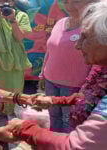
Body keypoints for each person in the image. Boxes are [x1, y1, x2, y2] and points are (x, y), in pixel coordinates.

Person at [3, 1, 107, 150]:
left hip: (70, 86)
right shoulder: (101, 74)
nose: (78, 45)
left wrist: (26, 129)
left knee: (67, 123)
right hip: (53, 83)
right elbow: (87, 98)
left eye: (86, 38)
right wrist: (55, 100)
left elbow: (76, 145)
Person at [39, 0, 93, 133]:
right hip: (51, 81)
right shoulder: (60, 23)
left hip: (74, 86)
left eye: (76, 2)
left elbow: (97, 61)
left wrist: (88, 86)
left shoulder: (92, 27)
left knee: (69, 120)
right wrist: (42, 74)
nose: (70, 6)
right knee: (54, 116)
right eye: (66, 2)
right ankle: (54, 142)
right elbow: (50, 50)